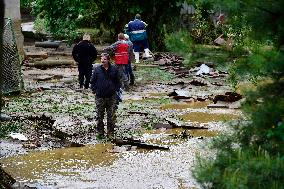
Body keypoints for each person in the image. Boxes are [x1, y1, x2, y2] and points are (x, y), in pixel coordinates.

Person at [90, 53, 121, 139]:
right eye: (101, 59)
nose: (102, 61)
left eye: (104, 59)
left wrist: (116, 89)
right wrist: (94, 90)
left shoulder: (114, 69)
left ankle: (110, 133)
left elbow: (118, 82)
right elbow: (92, 81)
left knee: (111, 116)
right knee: (99, 115)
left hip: (111, 96)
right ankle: (100, 133)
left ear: (108, 60)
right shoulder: (97, 69)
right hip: (100, 96)